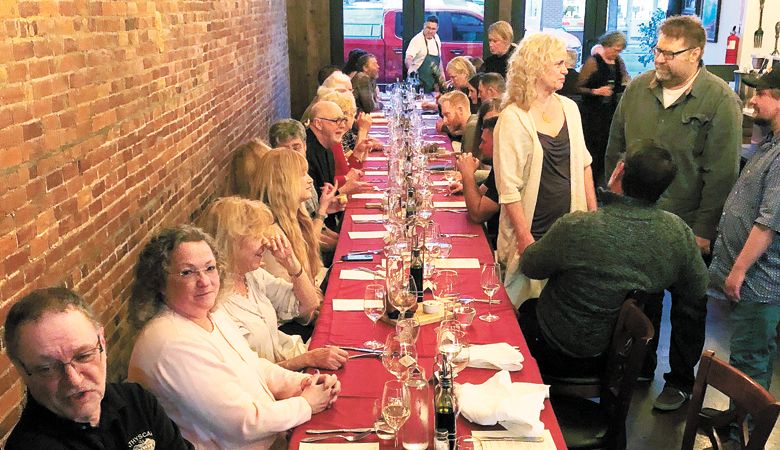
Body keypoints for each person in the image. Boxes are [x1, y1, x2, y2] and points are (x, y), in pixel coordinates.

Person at [604, 15, 742, 411]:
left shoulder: (718, 100)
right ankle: (640, 366)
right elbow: (616, 149)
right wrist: (611, 202)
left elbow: (721, 174)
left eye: (669, 52)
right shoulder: (637, 91)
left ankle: (680, 380)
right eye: (658, 50)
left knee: (687, 306)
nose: (659, 59)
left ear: (696, 53)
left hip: (686, 225)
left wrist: (704, 231)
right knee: (638, 299)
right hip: (636, 219)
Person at [127, 225, 340, 449]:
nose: (205, 281)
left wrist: (303, 383)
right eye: (187, 272)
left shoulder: (211, 313)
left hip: (273, 437)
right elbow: (243, 423)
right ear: (159, 282)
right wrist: (306, 403)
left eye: (210, 268)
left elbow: (253, 365)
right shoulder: (170, 342)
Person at [518, 145, 708, 379]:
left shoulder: (578, 227)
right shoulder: (677, 232)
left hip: (555, 348)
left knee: (524, 308)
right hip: (621, 357)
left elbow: (530, 266)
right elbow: (698, 288)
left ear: (619, 170)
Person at [4, 287, 193, 449]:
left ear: (102, 340)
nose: (74, 379)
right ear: (21, 369)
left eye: (84, 356)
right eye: (48, 368)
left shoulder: (137, 401)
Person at [494, 32, 597, 308]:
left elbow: (584, 164)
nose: (567, 70)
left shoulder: (571, 109)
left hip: (570, 231)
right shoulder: (513, 116)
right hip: (532, 231)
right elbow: (508, 189)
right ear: (537, 66)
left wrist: (593, 217)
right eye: (559, 63)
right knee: (527, 311)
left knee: (565, 307)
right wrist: (526, 242)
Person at [199, 196, 349, 370]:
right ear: (232, 243)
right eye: (256, 236)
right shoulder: (215, 303)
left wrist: (292, 263)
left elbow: (309, 303)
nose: (265, 241)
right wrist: (306, 360)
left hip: (290, 361)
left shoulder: (252, 275)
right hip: (276, 383)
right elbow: (250, 374)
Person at [709, 69, 780, 398]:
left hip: (761, 282)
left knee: (749, 361)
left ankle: (743, 438)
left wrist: (738, 269)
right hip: (753, 279)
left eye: (761, 93)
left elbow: (769, 222)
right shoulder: (770, 144)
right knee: (746, 358)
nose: (753, 100)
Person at [255, 149, 332, 284]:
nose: (310, 180)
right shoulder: (272, 232)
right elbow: (289, 295)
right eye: (302, 174)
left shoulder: (295, 215)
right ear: (283, 181)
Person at [269, 119, 340, 255]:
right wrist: (323, 209)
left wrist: (342, 240)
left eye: (296, 148)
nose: (293, 155)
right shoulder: (281, 188)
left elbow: (318, 224)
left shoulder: (303, 174)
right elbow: (309, 242)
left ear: (305, 145)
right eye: (285, 150)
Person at [578, 31, 629, 187]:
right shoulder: (593, 62)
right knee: (593, 150)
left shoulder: (618, 63)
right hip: (592, 114)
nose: (617, 53)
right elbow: (578, 87)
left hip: (609, 113)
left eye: (620, 50)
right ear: (607, 45)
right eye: (615, 49)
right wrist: (595, 91)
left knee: (607, 148)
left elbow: (624, 80)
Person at [306, 101, 369, 199]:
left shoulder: (328, 145)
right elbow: (314, 201)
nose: (343, 126)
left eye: (343, 120)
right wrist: (343, 190)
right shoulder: (306, 151)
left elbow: (329, 188)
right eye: (337, 121)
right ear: (318, 124)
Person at [405, 16, 445, 93]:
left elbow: (439, 59)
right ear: (424, 26)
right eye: (428, 28)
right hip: (418, 84)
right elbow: (408, 59)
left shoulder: (436, 38)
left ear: (437, 29)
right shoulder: (417, 40)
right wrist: (411, 71)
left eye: (433, 29)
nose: (430, 31)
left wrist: (442, 74)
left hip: (433, 85)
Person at [439, 90, 478, 154]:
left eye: (447, 115)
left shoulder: (471, 128)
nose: (444, 121)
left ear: (460, 110)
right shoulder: (472, 122)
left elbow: (467, 163)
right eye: (443, 116)